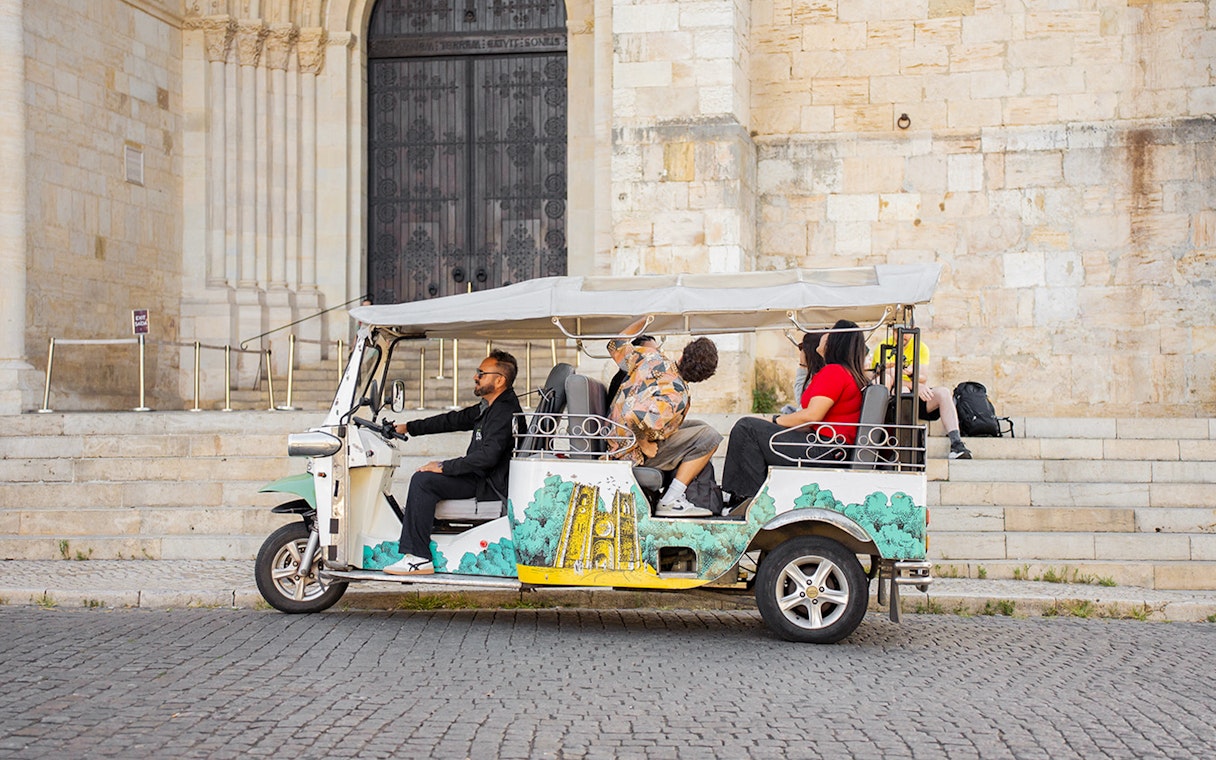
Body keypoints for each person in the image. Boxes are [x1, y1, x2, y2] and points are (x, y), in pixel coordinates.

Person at [382, 350, 522, 575]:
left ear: (499, 380)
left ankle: (418, 558)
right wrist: (408, 427)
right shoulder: (489, 407)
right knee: (426, 477)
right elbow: (452, 420)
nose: (475, 377)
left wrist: (444, 466)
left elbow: (487, 457)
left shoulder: (504, 412)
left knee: (424, 480)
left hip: (487, 484)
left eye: (481, 373)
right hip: (480, 477)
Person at [721, 321, 869, 505]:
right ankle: (748, 497)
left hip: (823, 450)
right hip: (831, 449)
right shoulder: (847, 373)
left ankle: (746, 500)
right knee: (754, 429)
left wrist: (772, 419)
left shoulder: (834, 372)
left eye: (829, 332)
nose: (824, 335)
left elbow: (811, 416)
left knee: (747, 428)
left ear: (836, 340)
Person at [607, 317, 722, 518]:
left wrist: (646, 318)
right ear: (704, 378)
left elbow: (615, 345)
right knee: (710, 437)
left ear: (684, 352)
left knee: (699, 426)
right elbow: (634, 418)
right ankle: (670, 500)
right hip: (629, 453)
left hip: (616, 441)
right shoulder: (675, 396)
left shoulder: (653, 359)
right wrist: (645, 445)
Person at [870, 332, 972, 460]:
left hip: (917, 394)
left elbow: (923, 378)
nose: (903, 337)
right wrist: (914, 384)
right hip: (895, 397)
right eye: (898, 332)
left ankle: (957, 443)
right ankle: (901, 447)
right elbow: (885, 377)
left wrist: (911, 376)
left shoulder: (920, 347)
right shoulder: (884, 347)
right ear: (894, 331)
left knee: (944, 393)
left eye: (907, 332)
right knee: (903, 389)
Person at [780, 331, 826, 414]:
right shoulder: (816, 375)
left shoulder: (822, 378)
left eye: (802, 348)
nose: (801, 352)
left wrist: (803, 365)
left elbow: (803, 405)